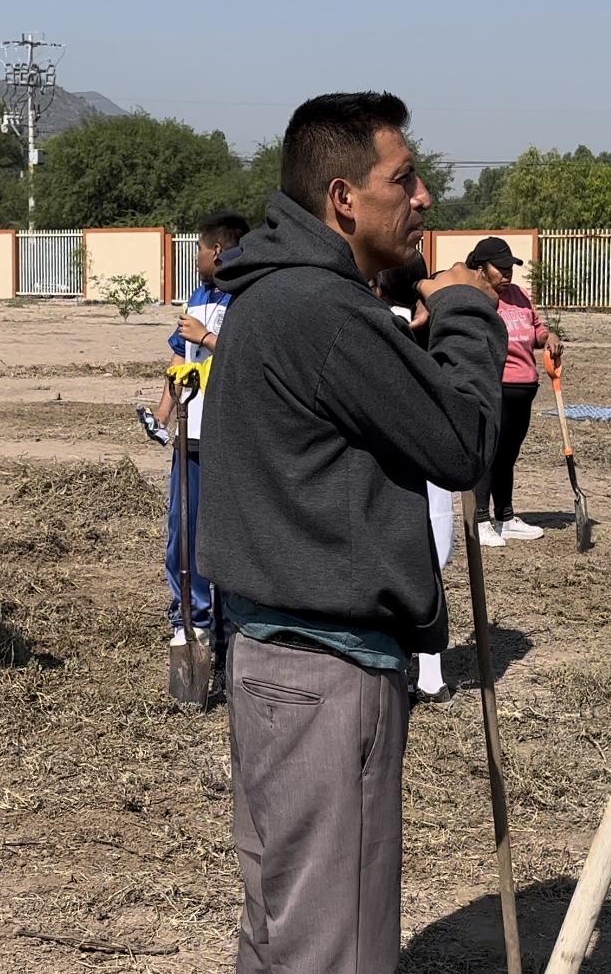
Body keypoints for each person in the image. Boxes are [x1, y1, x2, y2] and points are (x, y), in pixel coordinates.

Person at [200, 92, 503, 973]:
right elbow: (459, 444)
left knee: (286, 923)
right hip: (326, 673)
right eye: (402, 179)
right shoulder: (318, 311)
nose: (423, 199)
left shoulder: (290, 297)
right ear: (342, 197)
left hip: (276, 661)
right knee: (335, 945)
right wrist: (463, 314)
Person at [145, 211, 247, 657]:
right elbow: (179, 363)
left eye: (201, 250)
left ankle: (231, 626)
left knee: (225, 533)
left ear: (218, 251)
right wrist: (162, 417)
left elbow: (250, 357)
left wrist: (207, 338)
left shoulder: (249, 299)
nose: (198, 257)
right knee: (183, 533)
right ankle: (190, 619)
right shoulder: (197, 298)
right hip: (191, 436)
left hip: (230, 438)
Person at [375, 255, 455, 703]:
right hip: (431, 456)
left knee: (402, 561)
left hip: (398, 458)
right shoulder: (435, 326)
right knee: (429, 562)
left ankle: (409, 667)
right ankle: (429, 672)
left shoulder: (380, 324)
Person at [465, 236, 562, 548]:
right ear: (481, 268)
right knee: (489, 454)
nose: (507, 274)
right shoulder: (477, 298)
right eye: (500, 268)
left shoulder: (519, 295)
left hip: (525, 386)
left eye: (510, 268)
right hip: (495, 388)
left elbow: (535, 331)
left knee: (507, 456)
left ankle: (505, 518)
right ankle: (480, 520)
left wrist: (549, 337)